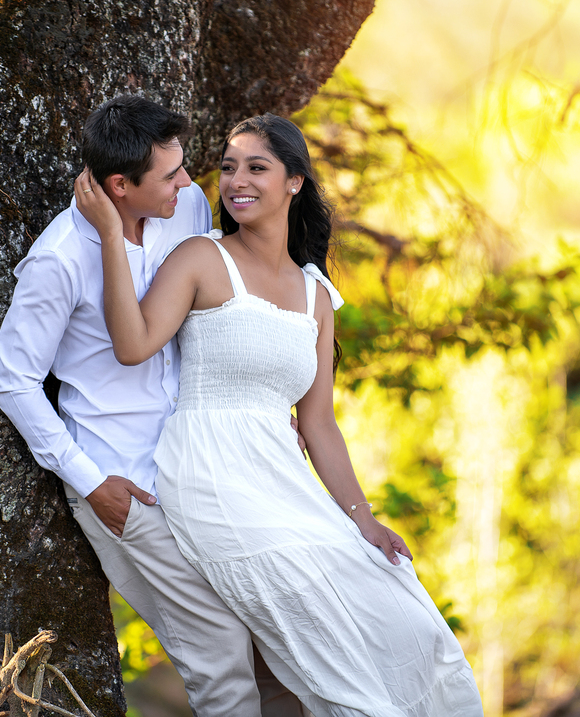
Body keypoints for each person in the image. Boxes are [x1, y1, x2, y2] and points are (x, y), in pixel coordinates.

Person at [75, 113, 485, 716]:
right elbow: (133, 344)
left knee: (401, 609)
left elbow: (318, 422)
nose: (237, 180)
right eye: (231, 167)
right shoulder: (201, 259)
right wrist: (111, 235)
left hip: (282, 480)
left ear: (295, 182)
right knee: (321, 627)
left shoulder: (317, 294)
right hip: (211, 475)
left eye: (257, 167)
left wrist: (362, 520)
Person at [0, 96, 308, 716]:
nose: (191, 184)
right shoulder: (59, 259)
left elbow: (219, 310)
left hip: (205, 466)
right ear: (119, 185)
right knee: (218, 654)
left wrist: (261, 407)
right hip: (127, 487)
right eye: (170, 174)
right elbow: (14, 382)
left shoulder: (185, 210)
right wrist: (90, 482)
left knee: (278, 633)